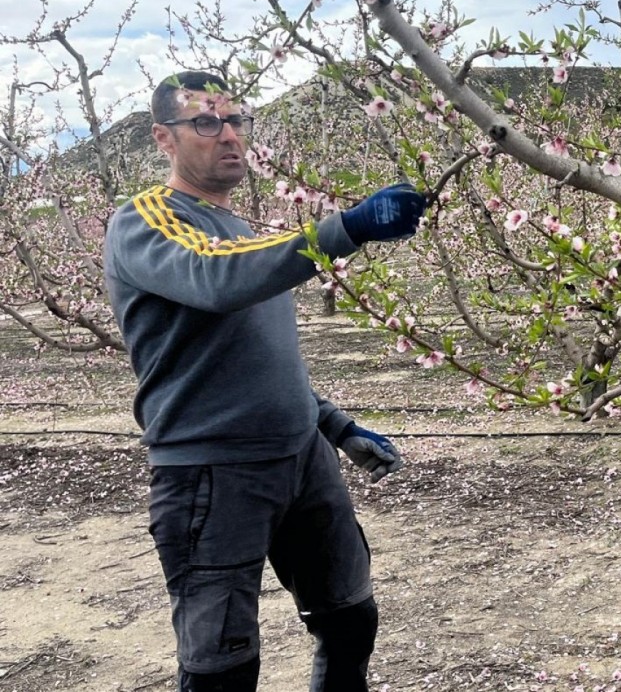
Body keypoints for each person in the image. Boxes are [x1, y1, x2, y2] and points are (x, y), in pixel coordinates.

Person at [103, 70, 427, 691]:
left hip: (302, 459)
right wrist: (345, 228)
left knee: (350, 620)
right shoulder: (144, 220)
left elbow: (261, 352)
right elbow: (216, 279)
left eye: (236, 120)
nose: (228, 135)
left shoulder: (250, 237)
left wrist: (335, 426)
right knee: (222, 666)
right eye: (205, 122)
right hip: (214, 473)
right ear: (163, 139)